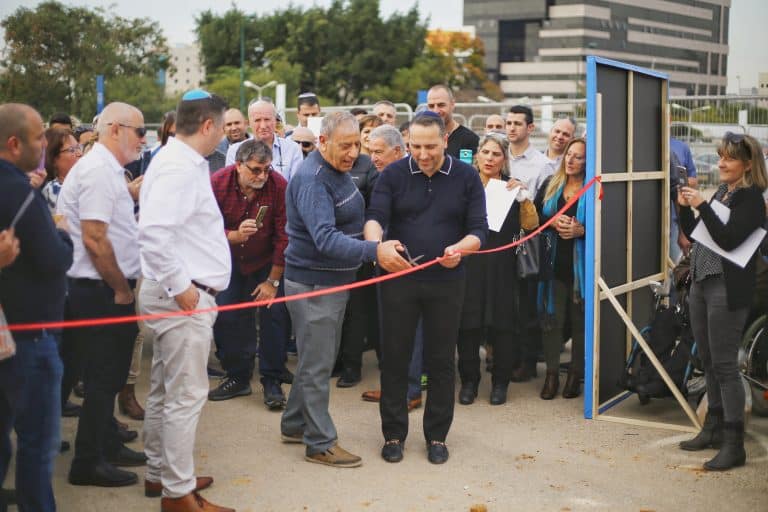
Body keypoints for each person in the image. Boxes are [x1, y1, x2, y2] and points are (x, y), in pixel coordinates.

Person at [279, 112, 406, 468]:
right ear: (322, 142)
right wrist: (373, 251)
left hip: (330, 282)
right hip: (314, 284)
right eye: (345, 146)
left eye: (356, 145)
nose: (353, 153)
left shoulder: (335, 170)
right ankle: (319, 442)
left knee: (314, 359)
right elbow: (325, 238)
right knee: (318, 366)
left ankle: (294, 423)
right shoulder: (314, 180)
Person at [365, 112, 487, 465]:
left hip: (447, 281)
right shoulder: (393, 174)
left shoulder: (466, 177)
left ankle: (437, 435)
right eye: (415, 146)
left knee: (441, 360)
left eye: (430, 146)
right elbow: (375, 218)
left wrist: (460, 249)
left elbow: (479, 229)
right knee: (395, 358)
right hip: (398, 279)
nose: (422, 154)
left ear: (445, 140)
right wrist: (377, 247)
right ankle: (393, 434)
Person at [138, 89, 234, 511]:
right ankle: (177, 494)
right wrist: (182, 288)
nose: (224, 136)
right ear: (208, 125)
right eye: (223, 127)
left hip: (178, 295)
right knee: (186, 396)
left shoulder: (179, 160)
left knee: (166, 389)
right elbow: (153, 233)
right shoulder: (179, 166)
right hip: (182, 298)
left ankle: (161, 473)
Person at [59, 102, 148, 488]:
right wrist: (120, 289)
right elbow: (95, 238)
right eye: (138, 131)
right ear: (115, 129)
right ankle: (88, 462)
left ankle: (106, 444)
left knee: (108, 377)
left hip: (103, 287)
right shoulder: (97, 170)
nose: (143, 139)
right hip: (100, 290)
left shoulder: (106, 169)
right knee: (102, 377)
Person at [677, 133, 767, 471]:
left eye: (728, 158)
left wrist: (702, 205)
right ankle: (712, 428)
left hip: (726, 288)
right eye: (720, 157)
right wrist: (684, 207)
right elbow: (698, 234)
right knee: (708, 360)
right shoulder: (724, 192)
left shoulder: (752, 199)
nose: (720, 163)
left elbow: (728, 240)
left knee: (726, 365)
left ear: (748, 164)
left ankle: (734, 444)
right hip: (702, 282)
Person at [0, 102, 73, 512]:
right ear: (14, 144)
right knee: (38, 442)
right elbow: (54, 258)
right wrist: (62, 233)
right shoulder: (19, 192)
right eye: (39, 137)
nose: (45, 143)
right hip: (28, 339)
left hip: (13, 332)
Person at [208, 139, 291, 410]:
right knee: (229, 316)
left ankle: (272, 379)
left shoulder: (278, 186)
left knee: (274, 315)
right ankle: (238, 377)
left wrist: (272, 281)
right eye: (256, 170)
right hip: (229, 261)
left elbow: (284, 236)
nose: (262, 176)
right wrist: (232, 235)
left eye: (266, 169)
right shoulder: (218, 183)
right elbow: (202, 227)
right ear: (238, 165)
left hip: (266, 262)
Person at [457, 132, 539, 406]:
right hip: (469, 265)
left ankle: (500, 383)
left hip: (502, 267)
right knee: (468, 327)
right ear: (477, 155)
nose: (490, 158)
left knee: (503, 327)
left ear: (504, 159)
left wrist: (524, 198)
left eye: (496, 154)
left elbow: (530, 226)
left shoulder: (511, 187)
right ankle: (469, 382)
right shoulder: (464, 184)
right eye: (486, 152)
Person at [358, 125, 424, 410]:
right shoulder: (383, 176)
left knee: (411, 329)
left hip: (409, 262)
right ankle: (393, 386)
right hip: (383, 260)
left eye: (378, 151)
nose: (372, 157)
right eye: (370, 151)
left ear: (397, 151)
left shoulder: (417, 176)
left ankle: (410, 390)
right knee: (389, 328)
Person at [534, 138, 588, 400]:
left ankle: (576, 374)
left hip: (581, 270)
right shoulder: (551, 183)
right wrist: (553, 221)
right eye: (569, 154)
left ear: (588, 162)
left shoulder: (592, 188)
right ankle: (552, 375)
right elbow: (534, 216)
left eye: (578, 156)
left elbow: (606, 224)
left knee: (580, 323)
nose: (571, 160)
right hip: (552, 265)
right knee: (551, 322)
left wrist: (582, 230)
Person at [506, 105, 553, 382]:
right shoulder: (500, 157)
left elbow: (545, 206)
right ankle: (507, 356)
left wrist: (524, 196)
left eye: (517, 123)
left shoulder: (542, 164)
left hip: (526, 238)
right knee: (505, 302)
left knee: (525, 302)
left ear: (530, 128)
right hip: (501, 237)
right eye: (509, 122)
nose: (511, 128)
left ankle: (527, 360)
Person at [226, 100, 303, 181]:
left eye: (267, 119)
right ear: (249, 123)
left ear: (275, 121)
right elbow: (232, 184)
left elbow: (296, 185)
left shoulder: (293, 149)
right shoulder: (235, 151)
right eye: (257, 120)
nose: (263, 126)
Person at [426, 84, 479, 159]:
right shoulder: (422, 138)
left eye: (441, 105)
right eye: (431, 106)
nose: (436, 111)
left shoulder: (470, 140)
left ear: (452, 104)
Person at [41, 128, 82, 214]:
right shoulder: (53, 190)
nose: (80, 153)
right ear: (53, 159)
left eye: (78, 147)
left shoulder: (80, 183)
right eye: (71, 150)